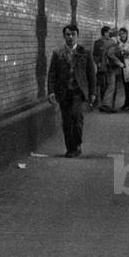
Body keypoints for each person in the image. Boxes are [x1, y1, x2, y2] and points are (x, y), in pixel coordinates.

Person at [47, 24, 96, 157]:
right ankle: (70, 148)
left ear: (77, 36)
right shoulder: (58, 53)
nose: (70, 37)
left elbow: (91, 74)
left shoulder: (85, 53)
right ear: (64, 36)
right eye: (67, 34)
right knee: (67, 121)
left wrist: (92, 93)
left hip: (78, 93)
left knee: (77, 117)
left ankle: (77, 145)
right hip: (64, 93)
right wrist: (51, 91)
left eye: (73, 34)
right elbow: (52, 73)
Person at [99, 29, 124, 112]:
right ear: (116, 36)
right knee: (111, 87)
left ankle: (107, 105)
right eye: (118, 36)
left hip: (106, 67)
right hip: (111, 68)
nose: (119, 38)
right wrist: (119, 62)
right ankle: (106, 105)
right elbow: (110, 54)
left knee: (110, 86)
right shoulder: (113, 43)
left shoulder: (106, 42)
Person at [92, 25, 111, 103]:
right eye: (108, 33)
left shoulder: (112, 42)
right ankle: (100, 101)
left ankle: (106, 102)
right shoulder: (98, 43)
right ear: (104, 33)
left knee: (108, 85)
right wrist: (97, 63)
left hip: (110, 66)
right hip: (102, 66)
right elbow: (95, 55)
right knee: (101, 84)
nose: (109, 34)